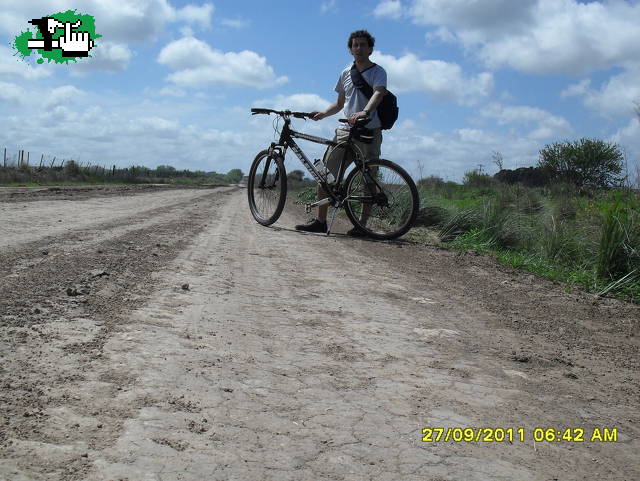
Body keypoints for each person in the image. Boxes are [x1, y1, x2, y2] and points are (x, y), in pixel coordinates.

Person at [295, 29, 387, 236]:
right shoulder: (346, 73)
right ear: (350, 49)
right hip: (345, 130)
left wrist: (365, 112)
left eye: (363, 45)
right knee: (325, 174)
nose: (359, 48)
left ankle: (362, 225)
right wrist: (323, 114)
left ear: (370, 48)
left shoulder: (378, 72)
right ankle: (320, 221)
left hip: (368, 131)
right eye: (355, 45)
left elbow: (379, 93)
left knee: (367, 178)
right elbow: (339, 104)